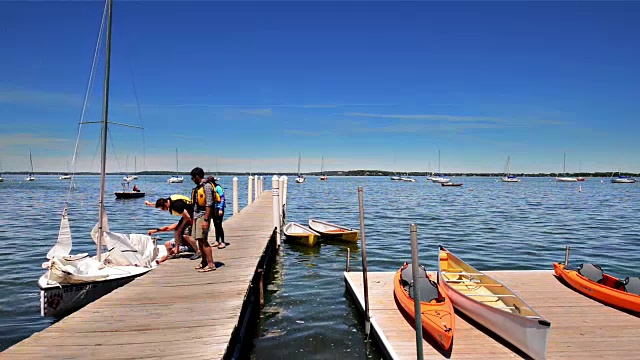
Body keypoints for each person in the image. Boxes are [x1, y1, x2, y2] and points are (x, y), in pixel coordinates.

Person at [145, 195, 200, 262]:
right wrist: (150, 204)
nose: (162, 210)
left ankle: (198, 251)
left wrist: (181, 226)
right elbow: (160, 203)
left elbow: (187, 217)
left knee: (185, 234)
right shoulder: (168, 201)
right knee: (177, 230)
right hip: (187, 216)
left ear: (166, 204)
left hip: (191, 215)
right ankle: (176, 251)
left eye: (162, 208)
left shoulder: (176, 206)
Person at [190, 167, 216, 272]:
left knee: (204, 240)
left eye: (192, 177)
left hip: (203, 215)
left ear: (197, 176)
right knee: (199, 240)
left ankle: (211, 264)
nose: (192, 180)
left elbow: (209, 203)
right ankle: (204, 261)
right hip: (196, 215)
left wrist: (206, 220)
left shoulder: (207, 186)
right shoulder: (198, 187)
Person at [208, 176, 226, 249]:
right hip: (213, 208)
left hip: (218, 208)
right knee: (215, 225)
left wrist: (221, 209)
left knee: (219, 225)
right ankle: (217, 241)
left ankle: (223, 242)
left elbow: (222, 198)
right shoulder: (210, 189)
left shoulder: (218, 188)